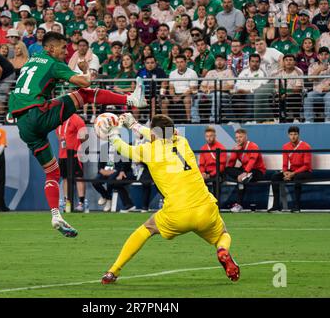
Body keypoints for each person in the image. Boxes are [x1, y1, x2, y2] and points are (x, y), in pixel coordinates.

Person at [6, 32, 147, 237]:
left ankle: (56, 215)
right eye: (63, 48)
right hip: (38, 112)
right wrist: (87, 73)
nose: (66, 51)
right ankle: (132, 100)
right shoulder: (53, 63)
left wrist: (78, 75)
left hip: (23, 125)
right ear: (50, 48)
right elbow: (84, 83)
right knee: (85, 94)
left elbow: (48, 79)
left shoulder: (32, 61)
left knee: (52, 173)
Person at [100, 113, 240, 284]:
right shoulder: (182, 142)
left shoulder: (148, 150)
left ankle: (113, 271)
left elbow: (124, 149)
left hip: (177, 213)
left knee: (146, 230)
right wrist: (135, 125)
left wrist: (113, 135)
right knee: (223, 235)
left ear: (154, 133)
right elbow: (158, 134)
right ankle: (222, 250)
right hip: (205, 207)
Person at [269, 126, 312, 213]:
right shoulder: (285, 146)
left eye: (295, 134)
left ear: (298, 135)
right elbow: (285, 163)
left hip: (305, 172)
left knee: (297, 178)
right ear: (288, 135)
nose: (293, 136)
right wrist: (285, 173)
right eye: (291, 134)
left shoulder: (306, 146)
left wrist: (293, 174)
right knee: (275, 177)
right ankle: (276, 206)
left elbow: (306, 165)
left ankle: (297, 207)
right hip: (292, 171)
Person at [225, 128, 266, 213]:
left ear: (245, 137)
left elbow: (252, 161)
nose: (238, 139)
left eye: (240, 137)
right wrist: (234, 152)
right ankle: (244, 178)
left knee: (242, 180)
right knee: (227, 170)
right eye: (236, 137)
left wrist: (245, 172)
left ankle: (239, 204)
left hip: (257, 171)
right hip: (244, 172)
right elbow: (230, 165)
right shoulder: (237, 148)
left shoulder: (253, 146)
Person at [56, 113, 88, 212]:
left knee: (78, 177)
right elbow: (58, 135)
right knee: (65, 178)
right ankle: (67, 203)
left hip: (75, 154)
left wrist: (77, 144)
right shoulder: (59, 120)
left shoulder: (76, 119)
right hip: (63, 154)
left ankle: (81, 203)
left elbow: (85, 135)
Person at [93, 141, 136, 213]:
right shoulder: (104, 147)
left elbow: (125, 163)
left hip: (116, 170)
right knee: (95, 181)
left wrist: (118, 171)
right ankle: (106, 197)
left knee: (111, 181)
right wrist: (101, 170)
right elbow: (100, 164)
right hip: (106, 170)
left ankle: (109, 200)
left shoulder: (122, 146)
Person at [304, 46, 330, 123]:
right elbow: (310, 79)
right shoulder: (313, 66)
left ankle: (328, 120)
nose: (324, 56)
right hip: (316, 92)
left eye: (326, 54)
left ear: (329, 55)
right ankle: (309, 120)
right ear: (318, 56)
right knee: (308, 98)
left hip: (329, 91)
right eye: (321, 54)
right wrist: (319, 69)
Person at [202, 54, 235, 123]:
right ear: (215, 62)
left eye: (221, 60)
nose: (219, 62)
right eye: (217, 60)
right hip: (209, 94)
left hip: (224, 94)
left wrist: (215, 88)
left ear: (225, 62)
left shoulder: (229, 72)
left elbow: (230, 86)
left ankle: (213, 119)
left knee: (217, 95)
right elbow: (202, 86)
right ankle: (194, 120)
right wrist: (205, 90)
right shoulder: (210, 72)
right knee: (195, 96)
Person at [273, 54, 304, 123]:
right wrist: (281, 94)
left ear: (294, 62)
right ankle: (278, 118)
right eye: (286, 60)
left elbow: (298, 89)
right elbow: (276, 86)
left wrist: (286, 94)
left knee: (294, 97)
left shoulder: (299, 72)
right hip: (282, 94)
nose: (288, 62)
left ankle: (296, 118)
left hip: (295, 95)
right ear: (283, 62)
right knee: (271, 98)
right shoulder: (279, 72)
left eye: (290, 60)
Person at [168, 54, 198, 123]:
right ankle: (167, 122)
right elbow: (171, 88)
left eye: (181, 62)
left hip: (188, 93)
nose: (179, 64)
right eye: (177, 62)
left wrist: (180, 97)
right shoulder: (172, 73)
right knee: (164, 101)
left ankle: (188, 120)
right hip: (176, 94)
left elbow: (192, 89)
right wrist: (173, 96)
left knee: (187, 99)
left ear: (186, 62)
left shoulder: (192, 73)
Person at [198, 126, 227, 196]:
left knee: (216, 181)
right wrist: (203, 173)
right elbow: (201, 164)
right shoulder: (203, 148)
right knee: (197, 180)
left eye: (211, 136)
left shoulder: (221, 147)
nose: (209, 138)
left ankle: (217, 204)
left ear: (215, 136)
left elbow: (221, 166)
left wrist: (210, 175)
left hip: (218, 171)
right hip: (207, 172)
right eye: (207, 136)